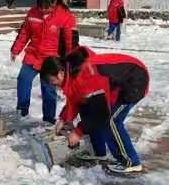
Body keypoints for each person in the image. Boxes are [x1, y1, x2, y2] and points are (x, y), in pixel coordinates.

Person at [41, 46, 149, 174]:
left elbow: (99, 113)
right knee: (88, 109)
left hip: (134, 80)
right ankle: (99, 152)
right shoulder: (72, 72)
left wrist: (78, 132)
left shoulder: (86, 75)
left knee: (111, 121)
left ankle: (131, 163)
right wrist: (64, 119)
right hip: (116, 83)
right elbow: (75, 97)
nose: (54, 86)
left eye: (52, 81)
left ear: (60, 73)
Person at [11, 0, 77, 124]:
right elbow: (24, 33)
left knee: (48, 89)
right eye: (41, 7)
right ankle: (22, 111)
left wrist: (70, 60)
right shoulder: (33, 13)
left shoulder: (65, 16)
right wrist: (15, 49)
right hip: (33, 55)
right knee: (23, 79)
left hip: (52, 59)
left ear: (54, 3)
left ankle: (48, 119)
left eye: (47, 8)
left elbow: (70, 41)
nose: (44, 10)